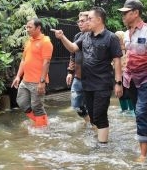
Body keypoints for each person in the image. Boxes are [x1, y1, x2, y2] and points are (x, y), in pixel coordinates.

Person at [51, 7, 123, 144]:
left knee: (100, 115)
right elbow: (72, 48)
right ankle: (100, 138)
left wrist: (118, 83)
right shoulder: (85, 37)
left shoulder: (111, 37)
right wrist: (62, 37)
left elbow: (117, 61)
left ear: (99, 19)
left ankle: (103, 146)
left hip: (102, 83)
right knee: (93, 117)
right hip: (87, 83)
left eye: (90, 19)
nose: (86, 21)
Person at [118, 0, 147, 162]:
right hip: (130, 79)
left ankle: (143, 155)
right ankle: (146, 140)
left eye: (126, 12)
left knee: (141, 112)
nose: (123, 15)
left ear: (136, 13)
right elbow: (126, 56)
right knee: (140, 113)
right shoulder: (126, 33)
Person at [11, 18, 53, 127]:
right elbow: (23, 60)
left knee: (37, 107)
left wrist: (42, 81)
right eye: (27, 27)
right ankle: (42, 123)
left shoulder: (45, 42)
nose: (27, 29)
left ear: (38, 28)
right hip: (25, 80)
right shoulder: (28, 41)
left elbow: (46, 62)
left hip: (37, 81)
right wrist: (18, 76)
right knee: (21, 102)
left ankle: (41, 129)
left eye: (30, 27)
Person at [66, 11, 90, 124]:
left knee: (91, 104)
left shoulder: (94, 36)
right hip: (78, 77)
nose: (80, 23)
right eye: (78, 21)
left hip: (92, 78)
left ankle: (95, 125)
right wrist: (70, 72)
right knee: (76, 105)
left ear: (90, 21)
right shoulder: (77, 36)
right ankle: (88, 120)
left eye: (82, 21)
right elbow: (72, 54)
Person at [115, 30, 134, 112]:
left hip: (128, 74)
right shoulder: (114, 49)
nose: (118, 40)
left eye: (119, 38)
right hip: (117, 74)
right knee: (120, 93)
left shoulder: (129, 47)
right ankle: (124, 110)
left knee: (128, 93)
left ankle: (132, 110)